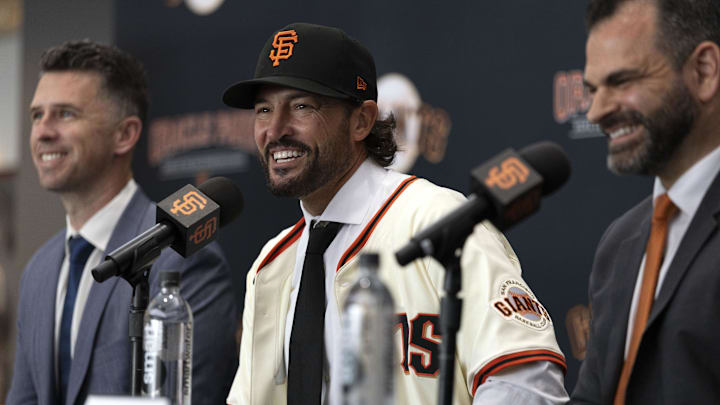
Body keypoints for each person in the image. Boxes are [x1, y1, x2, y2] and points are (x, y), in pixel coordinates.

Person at [223, 23, 568, 405]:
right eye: (263, 110)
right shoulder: (271, 266)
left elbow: (527, 381)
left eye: (302, 106)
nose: (274, 129)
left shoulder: (438, 221)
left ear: (362, 120)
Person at [6, 40, 238, 405]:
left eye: (65, 114)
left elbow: (192, 398)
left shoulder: (183, 256)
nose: (43, 132)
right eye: (37, 115)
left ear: (125, 134)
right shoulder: (38, 271)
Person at [573, 0, 720, 403]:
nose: (598, 110)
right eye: (592, 89)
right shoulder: (619, 242)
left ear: (704, 71)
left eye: (622, 82)